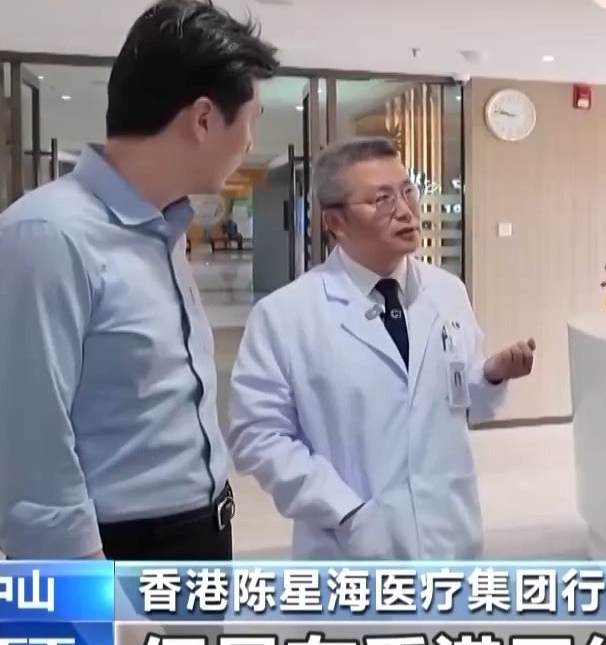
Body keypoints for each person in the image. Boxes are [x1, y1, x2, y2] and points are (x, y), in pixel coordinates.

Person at [0, 0, 279, 560]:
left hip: (199, 534)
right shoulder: (46, 237)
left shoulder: (162, 229)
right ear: (204, 119)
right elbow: (27, 450)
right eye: (251, 120)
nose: (251, 143)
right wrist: (83, 591)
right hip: (118, 553)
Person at [227, 135, 535, 560]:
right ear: (336, 222)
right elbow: (257, 436)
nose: (406, 211)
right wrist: (346, 512)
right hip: (348, 547)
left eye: (408, 192)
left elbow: (462, 404)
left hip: (449, 534)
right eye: (382, 200)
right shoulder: (285, 315)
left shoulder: (447, 292)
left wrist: (491, 376)